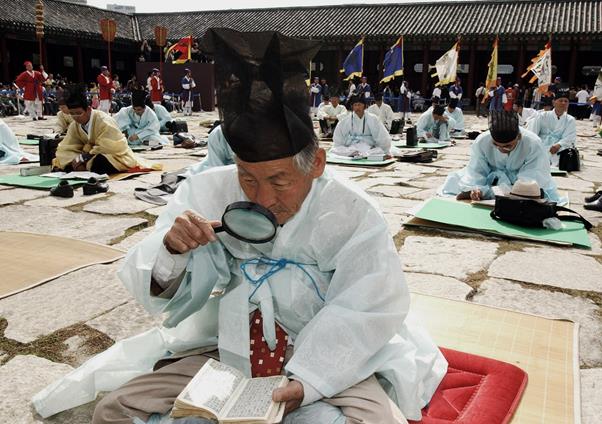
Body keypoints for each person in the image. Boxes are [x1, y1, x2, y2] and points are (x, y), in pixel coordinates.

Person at [83, 28, 445, 424]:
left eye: (279, 181)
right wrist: (172, 250)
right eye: (247, 178)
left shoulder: (353, 212)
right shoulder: (209, 189)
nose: (261, 199)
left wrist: (308, 379)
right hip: (232, 341)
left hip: (325, 346)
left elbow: (367, 305)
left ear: (317, 165)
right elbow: (162, 282)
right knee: (113, 410)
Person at [440, 111, 564, 203]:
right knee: (455, 182)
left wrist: (517, 189)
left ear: (519, 137)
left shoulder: (533, 143)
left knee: (528, 195)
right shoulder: (483, 140)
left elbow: (534, 174)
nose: (501, 149)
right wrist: (476, 188)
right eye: (496, 145)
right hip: (492, 177)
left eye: (508, 146)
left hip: (520, 179)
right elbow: (476, 169)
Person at [52, 85, 161, 173]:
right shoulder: (74, 125)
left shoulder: (103, 120)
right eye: (72, 114)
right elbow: (67, 146)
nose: (75, 117)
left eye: (79, 113)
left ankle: (81, 166)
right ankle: (81, 166)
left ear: (89, 110)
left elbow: (112, 145)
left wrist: (86, 155)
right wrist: (78, 156)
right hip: (92, 153)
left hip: (115, 154)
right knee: (61, 155)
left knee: (100, 162)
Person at [527, 85, 576, 167]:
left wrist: (558, 145)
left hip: (560, 146)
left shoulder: (570, 119)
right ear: (554, 102)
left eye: (566, 101)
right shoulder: (542, 116)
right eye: (561, 100)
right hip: (541, 143)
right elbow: (533, 132)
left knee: (564, 155)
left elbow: (570, 136)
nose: (563, 103)